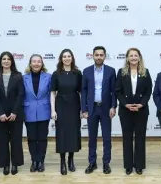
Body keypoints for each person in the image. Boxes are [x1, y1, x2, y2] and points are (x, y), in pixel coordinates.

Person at [81, 45, 117, 174]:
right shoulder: (86, 71)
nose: (99, 57)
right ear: (93, 56)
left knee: (107, 137)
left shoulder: (111, 71)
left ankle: (106, 163)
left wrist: (113, 106)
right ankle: (92, 162)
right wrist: (84, 109)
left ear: (105, 56)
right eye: (96, 55)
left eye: (101, 55)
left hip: (106, 108)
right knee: (92, 137)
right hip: (92, 108)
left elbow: (114, 91)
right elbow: (84, 91)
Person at [117, 47, 152, 175]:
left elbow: (148, 91)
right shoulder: (121, 72)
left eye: (135, 55)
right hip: (125, 110)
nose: (133, 58)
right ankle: (128, 165)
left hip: (141, 110)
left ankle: (139, 165)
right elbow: (118, 91)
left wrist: (141, 104)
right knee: (127, 138)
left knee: (140, 138)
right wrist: (125, 104)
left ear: (139, 57)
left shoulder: (145, 72)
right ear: (127, 58)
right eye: (131, 55)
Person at [51, 48, 83, 175]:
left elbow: (81, 92)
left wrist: (82, 109)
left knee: (73, 133)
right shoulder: (56, 74)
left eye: (69, 56)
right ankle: (62, 161)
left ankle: (71, 159)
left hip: (74, 106)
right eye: (64, 56)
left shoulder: (77, 73)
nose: (67, 58)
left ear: (72, 58)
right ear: (61, 59)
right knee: (62, 134)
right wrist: (53, 110)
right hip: (61, 106)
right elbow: (52, 93)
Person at [0, 51, 24, 175]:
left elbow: (20, 95)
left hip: (16, 114)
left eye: (8, 59)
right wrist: (0, 113)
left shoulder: (18, 76)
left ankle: (15, 164)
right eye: (4, 59)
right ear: (0, 61)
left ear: (12, 61)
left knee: (16, 140)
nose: (6, 61)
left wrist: (15, 112)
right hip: (0, 115)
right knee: (2, 141)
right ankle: (5, 164)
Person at [23, 54, 51, 172]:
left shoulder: (48, 77)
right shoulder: (23, 78)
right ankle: (34, 161)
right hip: (28, 111)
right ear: (30, 64)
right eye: (34, 61)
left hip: (44, 110)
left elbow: (52, 94)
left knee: (42, 138)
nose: (36, 64)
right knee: (32, 138)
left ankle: (41, 161)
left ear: (42, 63)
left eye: (39, 61)